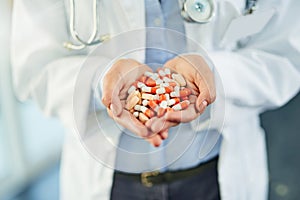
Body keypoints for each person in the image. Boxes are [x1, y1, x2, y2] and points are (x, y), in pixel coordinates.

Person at [11, 0, 300, 200]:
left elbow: (285, 54)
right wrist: (102, 77)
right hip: (109, 183)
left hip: (218, 175)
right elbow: (35, 68)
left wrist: (215, 72)